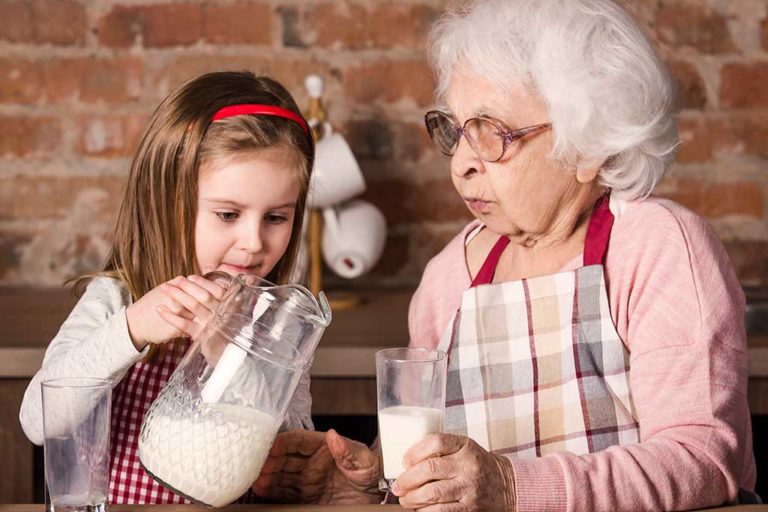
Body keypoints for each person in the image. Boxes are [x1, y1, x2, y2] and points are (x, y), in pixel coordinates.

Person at [252, 0, 759, 510]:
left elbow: (703, 460)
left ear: (587, 147)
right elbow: (426, 468)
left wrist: (512, 486)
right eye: (456, 130)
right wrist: (367, 482)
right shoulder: (449, 278)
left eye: (491, 132)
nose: (463, 165)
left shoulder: (656, 248)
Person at [19, 70, 316, 505]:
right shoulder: (119, 298)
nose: (254, 243)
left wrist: (231, 355)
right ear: (169, 202)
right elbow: (38, 421)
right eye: (228, 215)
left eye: (276, 218)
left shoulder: (278, 328)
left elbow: (293, 448)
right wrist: (132, 328)